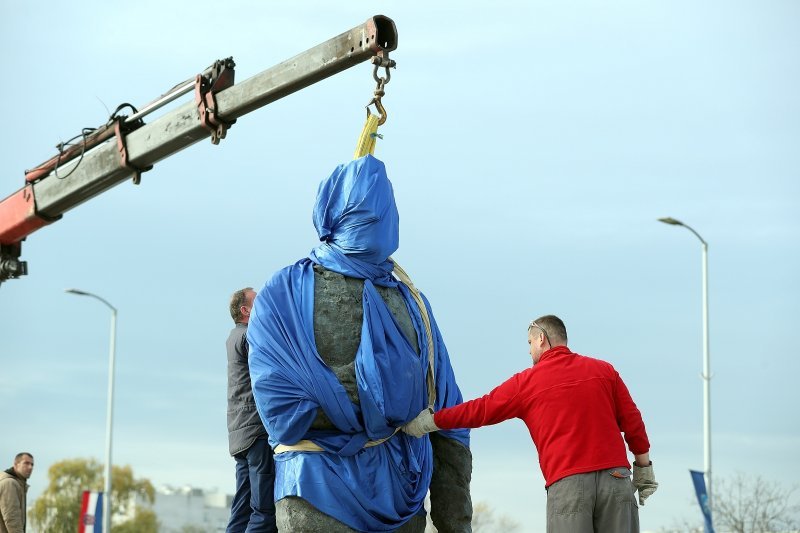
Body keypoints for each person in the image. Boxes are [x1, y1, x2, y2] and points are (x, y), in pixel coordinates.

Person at [247, 154, 472, 532]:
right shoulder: (413, 305)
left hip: (312, 493)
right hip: (390, 496)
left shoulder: (282, 293)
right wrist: (454, 521)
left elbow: (279, 405)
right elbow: (447, 420)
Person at [404, 314, 658, 533]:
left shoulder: (527, 383)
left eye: (529, 343)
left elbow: (480, 409)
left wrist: (431, 421)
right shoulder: (605, 371)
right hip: (616, 478)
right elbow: (633, 420)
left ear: (541, 339)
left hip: (569, 484)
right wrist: (643, 468)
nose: (528, 351)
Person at [225, 287, 276, 533]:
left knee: (242, 509)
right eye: (258, 301)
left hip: (239, 433)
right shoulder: (249, 338)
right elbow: (272, 371)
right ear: (246, 310)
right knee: (264, 510)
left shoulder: (233, 337)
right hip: (256, 431)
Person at [0, 452, 34, 533]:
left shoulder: (18, 484)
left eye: (32, 464)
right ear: (16, 464)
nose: (30, 467)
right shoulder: (10, 483)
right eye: (26, 463)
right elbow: (12, 519)